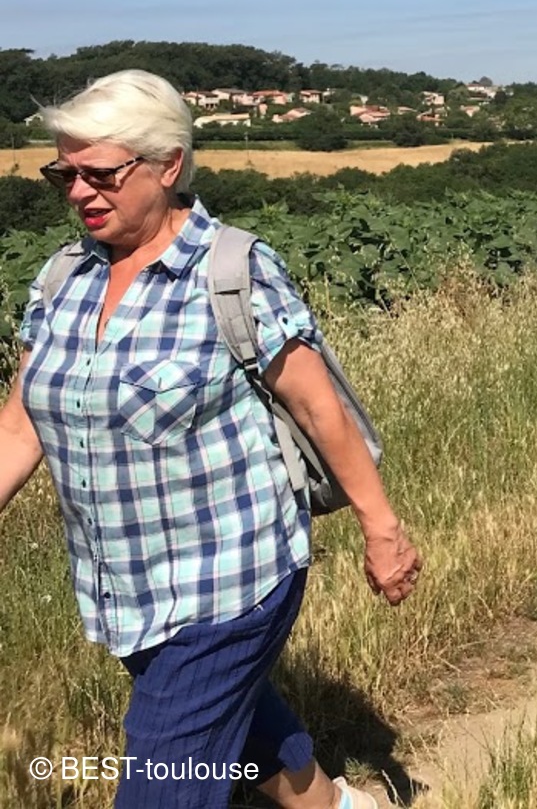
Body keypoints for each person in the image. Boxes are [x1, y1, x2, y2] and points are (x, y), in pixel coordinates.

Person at [0, 69, 422, 809]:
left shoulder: (233, 272)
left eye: (100, 173)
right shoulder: (63, 279)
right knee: (240, 723)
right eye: (64, 174)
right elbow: (19, 422)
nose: (78, 192)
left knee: (164, 777)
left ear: (168, 165)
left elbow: (320, 410)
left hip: (229, 579)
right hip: (123, 584)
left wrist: (381, 528)